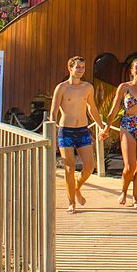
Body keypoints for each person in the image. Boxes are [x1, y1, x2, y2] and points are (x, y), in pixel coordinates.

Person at [49, 55, 104, 214]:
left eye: (83, 67)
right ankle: (71, 202)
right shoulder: (62, 88)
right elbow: (53, 112)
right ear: (70, 68)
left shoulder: (87, 87)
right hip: (65, 131)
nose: (80, 70)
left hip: (82, 130)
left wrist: (101, 126)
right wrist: (52, 133)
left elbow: (92, 108)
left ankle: (77, 187)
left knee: (89, 167)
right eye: (77, 67)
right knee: (69, 167)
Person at [104, 56, 137, 208]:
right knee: (130, 166)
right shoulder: (124, 87)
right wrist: (106, 128)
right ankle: (123, 190)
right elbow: (114, 108)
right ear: (132, 70)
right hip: (128, 125)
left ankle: (136, 198)